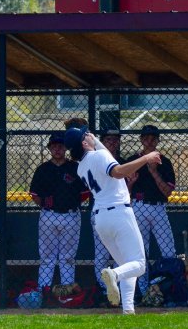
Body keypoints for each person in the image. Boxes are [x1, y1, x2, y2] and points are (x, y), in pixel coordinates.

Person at [64, 125, 161, 314]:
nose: (90, 136)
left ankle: (128, 310)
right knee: (139, 265)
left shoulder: (81, 167)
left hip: (101, 219)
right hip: (119, 213)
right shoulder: (98, 156)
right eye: (86, 135)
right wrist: (146, 158)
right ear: (83, 143)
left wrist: (91, 139)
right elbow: (118, 171)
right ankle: (114, 274)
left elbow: (105, 156)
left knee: (128, 265)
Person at [29, 132, 89, 291]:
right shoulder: (43, 169)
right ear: (49, 148)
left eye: (60, 146)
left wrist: (71, 202)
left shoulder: (75, 167)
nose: (57, 149)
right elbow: (34, 194)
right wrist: (43, 203)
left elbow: (85, 193)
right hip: (48, 215)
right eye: (54, 146)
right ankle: (44, 290)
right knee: (46, 257)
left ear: (66, 148)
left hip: (71, 215)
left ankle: (66, 291)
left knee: (67, 257)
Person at [126, 124, 177, 295]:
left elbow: (168, 192)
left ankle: (168, 289)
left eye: (153, 138)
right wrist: (131, 183)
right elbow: (123, 192)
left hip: (158, 208)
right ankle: (142, 291)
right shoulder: (132, 160)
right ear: (141, 140)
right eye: (146, 138)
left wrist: (154, 172)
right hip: (138, 206)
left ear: (157, 141)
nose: (149, 141)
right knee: (140, 251)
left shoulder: (164, 162)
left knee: (168, 250)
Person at [92, 128, 125, 296]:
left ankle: (119, 288)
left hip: (120, 210)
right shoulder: (96, 161)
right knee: (101, 253)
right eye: (108, 140)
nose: (112, 143)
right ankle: (104, 290)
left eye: (115, 140)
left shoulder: (123, 162)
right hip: (101, 209)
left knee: (122, 253)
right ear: (102, 142)